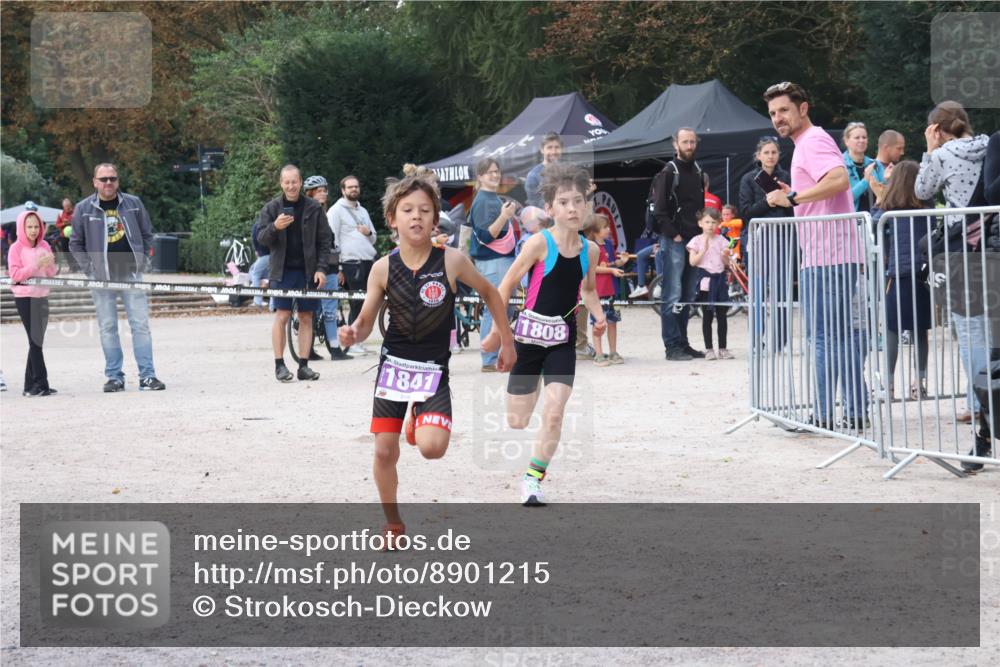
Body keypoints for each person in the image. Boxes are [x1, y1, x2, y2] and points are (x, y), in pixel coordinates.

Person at [338, 172, 516, 545]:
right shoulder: (383, 268)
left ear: (436, 219)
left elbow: (492, 293)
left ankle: (418, 416)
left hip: (433, 373)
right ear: (392, 219)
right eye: (407, 210)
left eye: (424, 210)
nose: (416, 217)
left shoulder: (451, 261)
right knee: (385, 451)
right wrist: (354, 331)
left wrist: (505, 339)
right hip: (394, 370)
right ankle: (393, 523)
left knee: (433, 449)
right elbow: (368, 319)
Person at [483, 163, 606, 506]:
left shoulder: (590, 251)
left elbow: (590, 290)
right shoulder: (539, 243)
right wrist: (497, 331)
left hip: (562, 341)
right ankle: (532, 389)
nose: (571, 208)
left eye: (577, 201)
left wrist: (598, 317)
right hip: (528, 338)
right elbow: (506, 284)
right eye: (563, 202)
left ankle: (533, 480)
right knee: (518, 421)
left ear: (585, 205)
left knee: (554, 410)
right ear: (550, 208)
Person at [762, 82, 864, 430]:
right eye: (774, 113)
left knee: (823, 337)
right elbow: (829, 185)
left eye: (784, 110)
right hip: (828, 253)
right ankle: (854, 410)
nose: (778, 118)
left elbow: (838, 180)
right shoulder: (808, 143)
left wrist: (793, 200)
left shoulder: (814, 140)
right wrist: (797, 193)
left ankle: (823, 415)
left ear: (803, 109)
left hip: (829, 254)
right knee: (839, 335)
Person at [914, 100, 991, 424]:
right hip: (992, 240)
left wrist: (929, 151)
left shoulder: (943, 155)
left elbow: (922, 190)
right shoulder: (988, 145)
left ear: (937, 129)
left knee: (968, 328)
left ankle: (979, 405)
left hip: (962, 248)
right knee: (989, 329)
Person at [69, 163, 166, 393]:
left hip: (131, 274)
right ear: (95, 182)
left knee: (140, 326)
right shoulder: (83, 208)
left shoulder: (133, 204)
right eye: (103, 179)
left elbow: (147, 234)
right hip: (101, 278)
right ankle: (115, 377)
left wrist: (142, 260)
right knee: (108, 327)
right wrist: (89, 269)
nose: (108, 183)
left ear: (118, 181)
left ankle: (148, 376)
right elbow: (75, 243)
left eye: (112, 178)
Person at [256, 165, 331, 383]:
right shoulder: (271, 208)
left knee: (307, 317)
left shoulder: (314, 208)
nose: (291, 186)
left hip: (308, 272)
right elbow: (261, 239)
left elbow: (325, 241)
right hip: (282, 271)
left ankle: (304, 366)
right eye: (287, 182)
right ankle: (279, 365)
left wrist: (321, 269)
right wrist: (275, 227)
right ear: (281, 183)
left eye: (294, 181)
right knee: (283, 316)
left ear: (300, 182)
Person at [875, 161, 932, 400]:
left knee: (892, 329)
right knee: (920, 331)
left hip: (897, 274)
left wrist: (883, 186)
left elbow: (873, 221)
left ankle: (888, 385)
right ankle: (919, 383)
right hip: (923, 272)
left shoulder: (888, 208)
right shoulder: (926, 205)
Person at [654, 127, 707, 361]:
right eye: (685, 142)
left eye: (692, 142)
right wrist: (673, 234)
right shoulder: (668, 171)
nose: (689, 146)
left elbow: (700, 208)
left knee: (687, 295)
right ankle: (672, 346)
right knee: (672, 293)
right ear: (676, 144)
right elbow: (659, 209)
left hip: (693, 241)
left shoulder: (697, 170)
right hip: (675, 240)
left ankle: (683, 343)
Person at [739, 136, 794, 350]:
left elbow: (795, 207)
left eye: (774, 152)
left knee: (781, 290)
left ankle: (780, 341)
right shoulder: (748, 179)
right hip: (758, 239)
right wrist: (767, 201)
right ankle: (756, 340)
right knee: (759, 291)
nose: (771, 156)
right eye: (767, 153)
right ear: (758, 155)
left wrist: (787, 198)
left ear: (779, 154)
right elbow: (745, 213)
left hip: (782, 237)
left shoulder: (787, 177)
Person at [469, 157, 518, 372]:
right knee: (495, 308)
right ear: (480, 177)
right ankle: (489, 359)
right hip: (492, 262)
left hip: (499, 261)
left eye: (496, 171)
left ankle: (496, 355)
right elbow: (485, 236)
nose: (495, 175)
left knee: (503, 308)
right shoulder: (482, 201)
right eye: (489, 172)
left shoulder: (492, 198)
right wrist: (505, 216)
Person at [7, 210, 59, 396]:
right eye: (29, 226)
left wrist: (51, 263)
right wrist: (35, 265)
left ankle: (29, 386)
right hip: (24, 298)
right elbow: (15, 275)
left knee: (36, 342)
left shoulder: (45, 244)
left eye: (36, 226)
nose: (33, 230)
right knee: (35, 341)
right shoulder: (15, 249)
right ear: (22, 227)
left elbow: (52, 273)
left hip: (42, 296)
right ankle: (41, 383)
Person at [328, 174, 377, 356]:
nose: (354, 189)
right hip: (350, 262)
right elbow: (332, 240)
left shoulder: (362, 211)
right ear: (343, 190)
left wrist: (368, 232)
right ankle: (352, 343)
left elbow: (373, 238)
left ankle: (358, 341)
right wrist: (338, 267)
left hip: (367, 261)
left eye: (356, 186)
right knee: (356, 302)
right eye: (350, 187)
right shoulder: (335, 211)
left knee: (366, 303)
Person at [304, 174, 350, 361]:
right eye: (319, 191)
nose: (323, 194)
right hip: (321, 267)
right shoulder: (314, 216)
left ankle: (321, 348)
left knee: (323, 309)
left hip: (326, 266)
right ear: (310, 194)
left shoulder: (322, 214)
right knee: (326, 309)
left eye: (324, 191)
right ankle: (333, 349)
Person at [687, 208, 733, 360]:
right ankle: (708, 349)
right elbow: (693, 262)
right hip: (705, 283)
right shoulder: (696, 241)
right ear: (700, 223)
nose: (710, 225)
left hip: (720, 282)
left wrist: (725, 256)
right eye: (707, 222)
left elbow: (727, 263)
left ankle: (723, 348)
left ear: (719, 224)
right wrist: (703, 250)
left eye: (714, 222)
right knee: (707, 317)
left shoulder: (722, 241)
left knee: (722, 316)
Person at [585, 213, 626, 365]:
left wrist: (621, 262)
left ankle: (613, 352)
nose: (609, 229)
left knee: (612, 321)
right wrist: (611, 270)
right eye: (605, 227)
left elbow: (611, 262)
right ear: (594, 230)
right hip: (598, 292)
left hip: (611, 290)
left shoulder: (608, 244)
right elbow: (593, 268)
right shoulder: (590, 247)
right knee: (598, 323)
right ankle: (599, 354)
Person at [842, 121, 880, 213]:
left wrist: (888, 180)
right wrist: (865, 180)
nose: (861, 140)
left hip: (875, 220)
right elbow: (845, 199)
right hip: (852, 222)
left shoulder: (875, 164)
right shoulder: (840, 165)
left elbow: (883, 194)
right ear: (847, 141)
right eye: (857, 138)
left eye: (864, 137)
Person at [867, 130, 906, 208]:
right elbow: (878, 193)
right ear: (886, 147)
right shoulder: (871, 168)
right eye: (899, 148)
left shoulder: (897, 169)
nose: (902, 152)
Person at [524, 132, 563, 208]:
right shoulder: (533, 175)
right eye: (549, 147)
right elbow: (534, 207)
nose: (554, 152)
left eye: (557, 147)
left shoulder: (568, 171)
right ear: (542, 150)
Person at [248, 216, 270, 308]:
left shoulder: (257, 225)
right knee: (274, 278)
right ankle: (273, 304)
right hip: (275, 255)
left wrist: (257, 250)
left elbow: (254, 238)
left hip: (264, 255)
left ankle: (257, 301)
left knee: (255, 274)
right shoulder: (273, 224)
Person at [54, 197, 74, 265]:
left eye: (68, 206)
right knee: (66, 251)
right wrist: (63, 223)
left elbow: (80, 223)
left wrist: (70, 222)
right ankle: (71, 266)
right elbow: (57, 224)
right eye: (65, 207)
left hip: (74, 236)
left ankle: (77, 266)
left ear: (71, 205)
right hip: (64, 236)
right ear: (63, 207)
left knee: (75, 251)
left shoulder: (76, 212)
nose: (67, 208)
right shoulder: (61, 213)